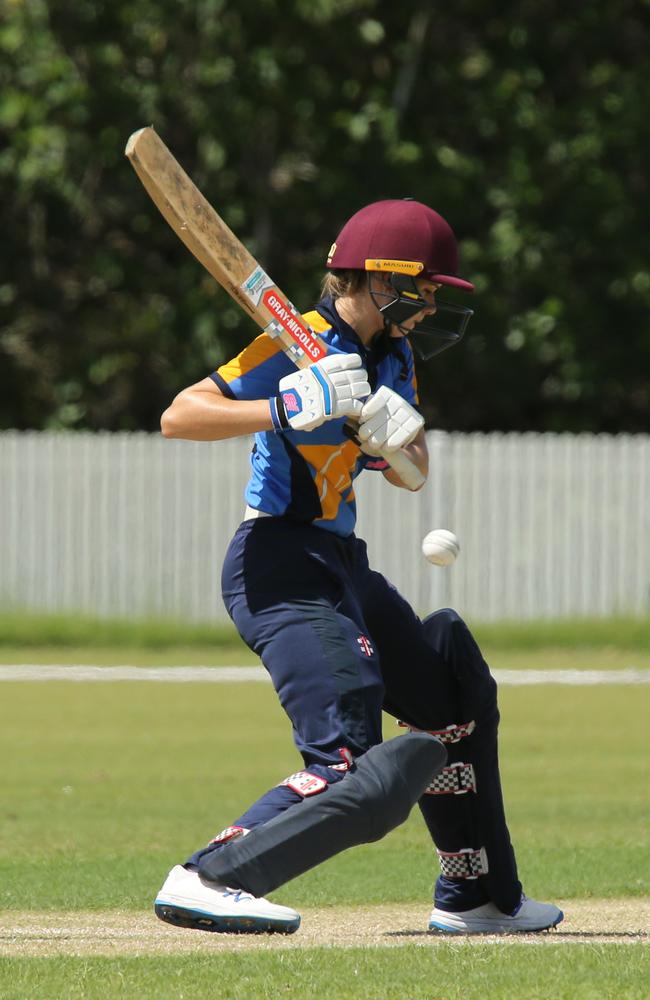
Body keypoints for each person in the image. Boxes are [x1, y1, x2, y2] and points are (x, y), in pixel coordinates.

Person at [154, 199, 563, 935]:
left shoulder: (392, 354)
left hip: (342, 562)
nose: (432, 302)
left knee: (450, 688)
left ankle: (475, 894)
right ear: (381, 278)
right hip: (277, 560)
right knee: (349, 750)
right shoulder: (293, 343)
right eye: (426, 287)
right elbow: (180, 415)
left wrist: (390, 437)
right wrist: (285, 404)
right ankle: (210, 875)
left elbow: (412, 468)